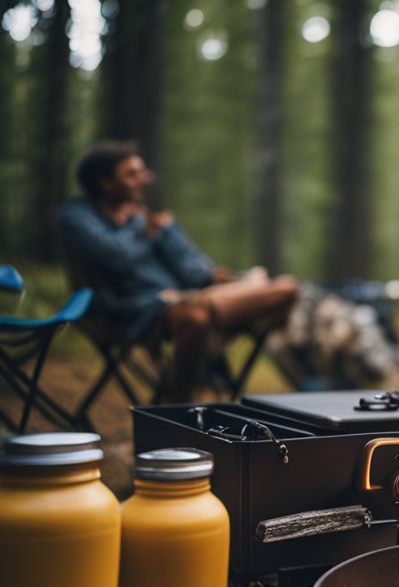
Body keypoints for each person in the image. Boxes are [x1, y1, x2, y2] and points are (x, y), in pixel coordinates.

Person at [58, 141, 299, 402]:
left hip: (181, 300)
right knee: (195, 317)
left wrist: (235, 279)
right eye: (132, 174)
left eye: (142, 172)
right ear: (105, 183)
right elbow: (117, 257)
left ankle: (212, 316)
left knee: (287, 287)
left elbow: (196, 271)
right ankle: (179, 403)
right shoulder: (77, 215)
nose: (144, 179)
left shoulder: (146, 218)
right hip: (129, 311)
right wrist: (140, 228)